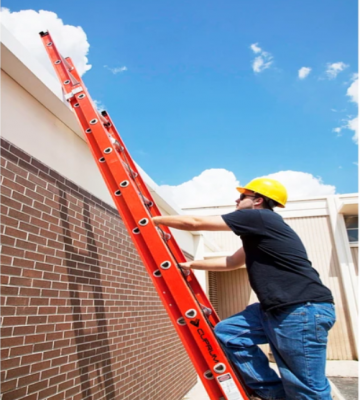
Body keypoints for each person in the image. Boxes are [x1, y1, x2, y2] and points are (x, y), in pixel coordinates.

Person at [152, 177, 335, 400]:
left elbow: (193, 222)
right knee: (229, 333)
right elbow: (231, 262)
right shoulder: (259, 232)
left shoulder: (260, 217)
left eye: (242, 196)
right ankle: (275, 396)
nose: (237, 200)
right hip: (275, 309)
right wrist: (192, 264)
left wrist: (153, 219)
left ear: (258, 201)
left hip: (300, 309)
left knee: (306, 388)